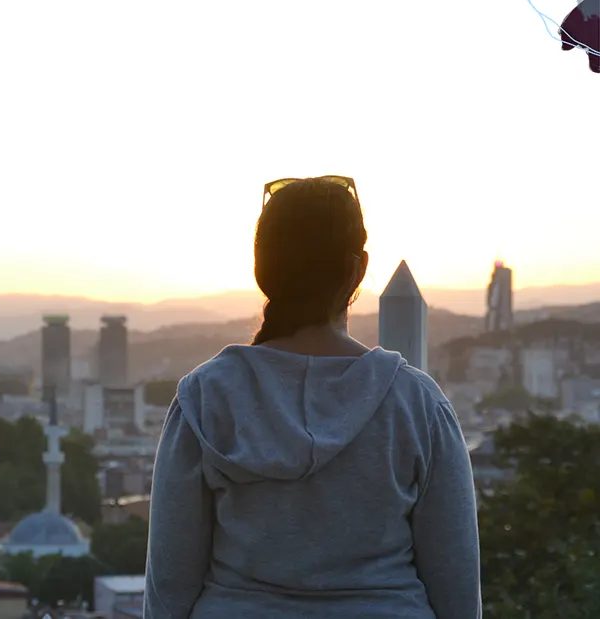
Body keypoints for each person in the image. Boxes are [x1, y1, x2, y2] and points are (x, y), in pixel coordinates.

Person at [143, 176, 481, 618]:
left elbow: (169, 586)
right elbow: (457, 586)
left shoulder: (206, 398)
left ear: (262, 270)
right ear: (357, 269)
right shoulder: (416, 404)